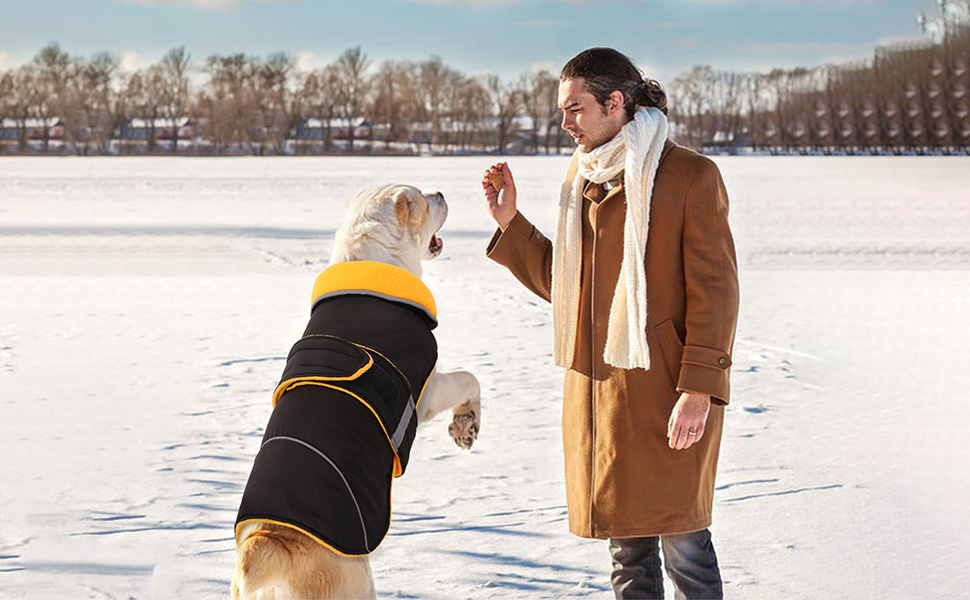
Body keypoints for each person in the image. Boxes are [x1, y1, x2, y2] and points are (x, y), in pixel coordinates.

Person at [481, 48, 739, 599]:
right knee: (626, 552)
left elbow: (716, 295)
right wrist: (511, 223)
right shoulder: (584, 177)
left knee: (684, 544)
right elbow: (572, 289)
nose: (564, 123)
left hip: (667, 392)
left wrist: (699, 389)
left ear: (614, 103)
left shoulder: (690, 176)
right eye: (563, 110)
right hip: (604, 395)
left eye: (574, 109)